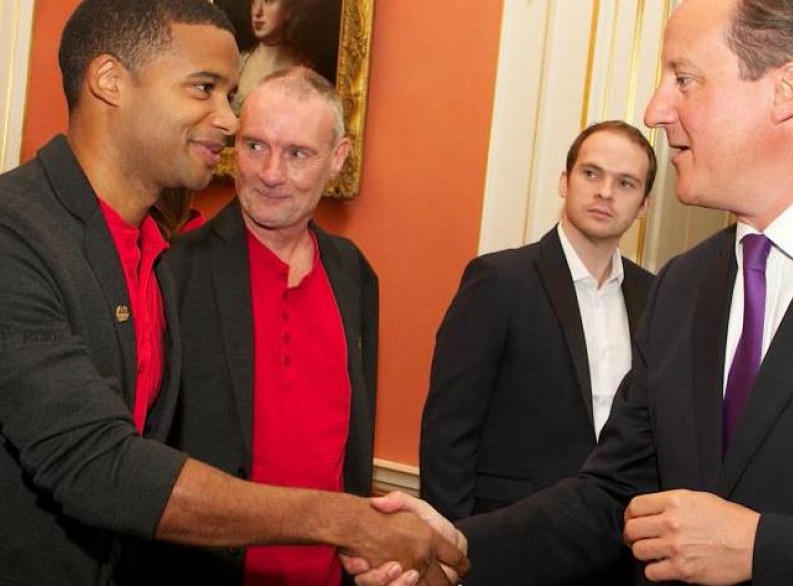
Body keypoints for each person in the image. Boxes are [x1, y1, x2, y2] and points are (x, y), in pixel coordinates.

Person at [347, 0, 793, 584]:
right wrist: (456, 548)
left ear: (786, 90)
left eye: (684, 78)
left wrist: (763, 548)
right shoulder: (684, 286)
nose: (656, 110)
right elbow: (611, 495)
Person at [0, 1, 466, 585]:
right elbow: (97, 464)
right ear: (110, 81)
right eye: (205, 88)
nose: (227, 121)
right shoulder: (18, 232)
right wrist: (349, 521)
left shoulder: (147, 251)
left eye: (229, 96)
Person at [132, 66, 378, 586]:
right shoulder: (173, 270)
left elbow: (353, 448)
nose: (270, 173)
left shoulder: (354, 274)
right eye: (255, 146)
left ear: (338, 157)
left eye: (297, 154)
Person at [419, 122, 654, 531]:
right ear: (564, 181)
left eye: (625, 183)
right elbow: (449, 429)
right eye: (591, 173)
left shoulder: (654, 295)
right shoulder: (499, 280)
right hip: (507, 532)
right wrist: (454, 542)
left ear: (643, 205)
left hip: (615, 538)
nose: (605, 192)